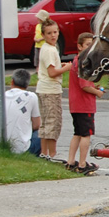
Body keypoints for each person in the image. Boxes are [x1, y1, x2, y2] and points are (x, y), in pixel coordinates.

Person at [37, 19, 72, 160]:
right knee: (53, 122)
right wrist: (66, 68)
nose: (53, 35)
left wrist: (60, 65)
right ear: (43, 35)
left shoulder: (47, 48)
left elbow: (49, 68)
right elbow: (52, 73)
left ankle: (44, 153)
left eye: (55, 32)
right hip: (50, 90)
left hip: (43, 89)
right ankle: (52, 154)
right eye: (49, 33)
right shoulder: (50, 50)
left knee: (45, 123)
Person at [67, 32, 103, 173]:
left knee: (77, 133)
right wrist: (97, 92)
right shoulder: (83, 62)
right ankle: (82, 164)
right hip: (84, 104)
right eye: (87, 45)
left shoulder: (75, 60)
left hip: (75, 104)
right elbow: (85, 85)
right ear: (80, 46)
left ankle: (71, 161)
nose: (90, 48)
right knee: (86, 135)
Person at [0, 69, 41, 155]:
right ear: (27, 84)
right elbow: (37, 125)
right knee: (43, 133)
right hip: (21, 149)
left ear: (12, 81)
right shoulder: (31, 96)